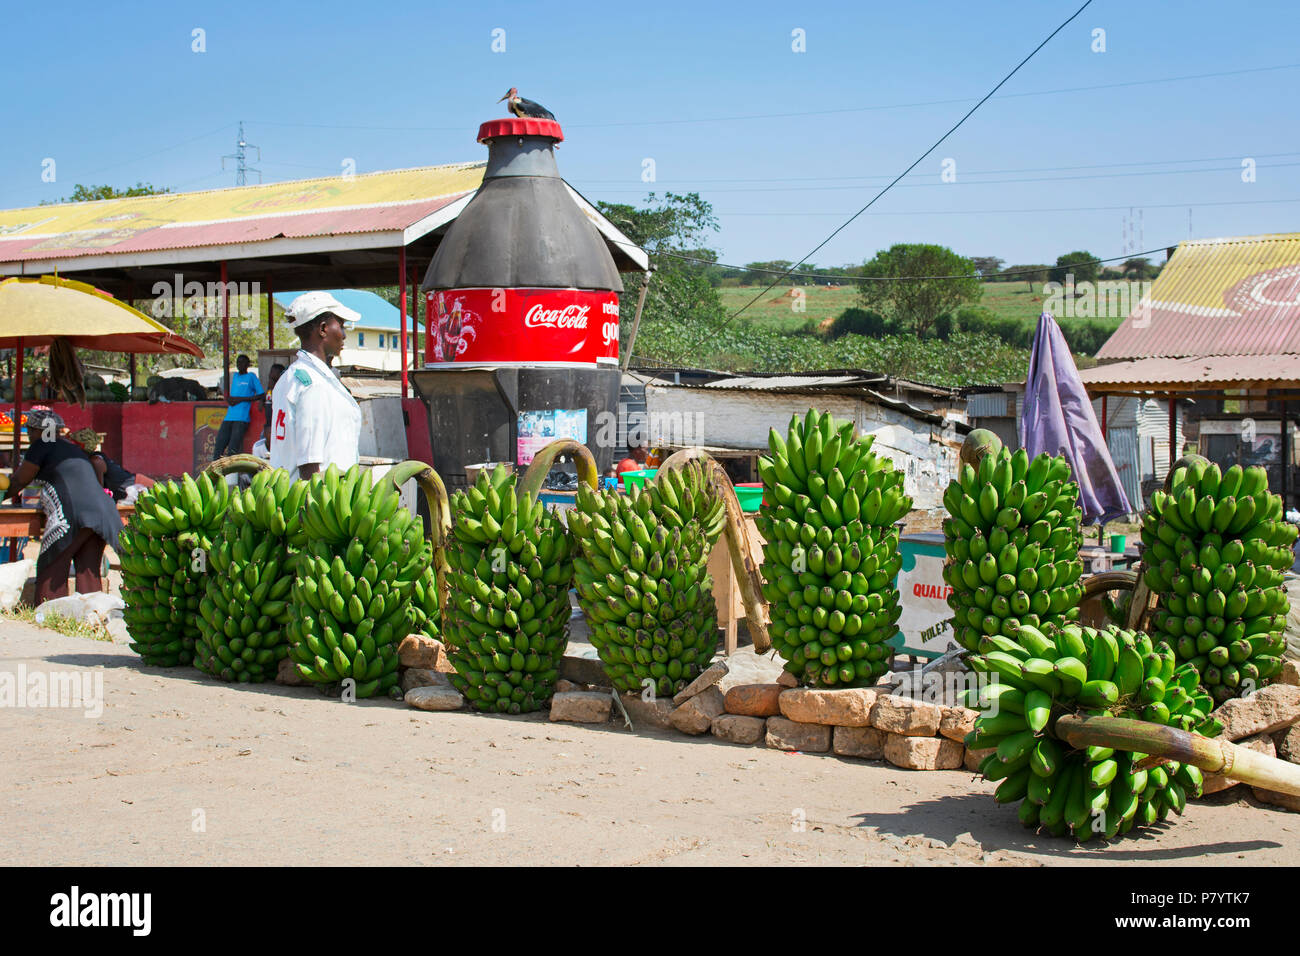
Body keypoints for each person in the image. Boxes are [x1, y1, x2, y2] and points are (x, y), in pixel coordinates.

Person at [5, 410, 122, 601]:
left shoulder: (41, 444)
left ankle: (49, 614)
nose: (29, 434)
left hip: (74, 512)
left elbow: (19, 481)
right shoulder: (73, 449)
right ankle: (90, 616)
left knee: (52, 565)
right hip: (103, 511)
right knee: (88, 569)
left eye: (30, 430)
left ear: (37, 430)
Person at [270, 292, 363, 480]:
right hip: (316, 502)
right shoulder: (313, 385)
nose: (344, 335)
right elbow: (310, 464)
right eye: (341, 326)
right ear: (323, 329)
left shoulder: (290, 377)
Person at [213, 354, 264, 459]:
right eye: (237, 362)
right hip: (229, 416)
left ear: (248, 364)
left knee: (232, 449)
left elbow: (261, 394)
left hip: (241, 418)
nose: (239, 364)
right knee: (219, 446)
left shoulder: (251, 377)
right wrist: (230, 398)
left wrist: (240, 399)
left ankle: (232, 475)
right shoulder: (234, 376)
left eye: (242, 362)